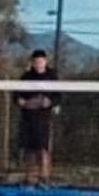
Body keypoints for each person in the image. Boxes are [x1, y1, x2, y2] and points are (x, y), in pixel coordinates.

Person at [13, 48, 59, 187]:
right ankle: (29, 179)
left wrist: (49, 102)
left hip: (44, 118)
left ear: (45, 62)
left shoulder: (52, 76)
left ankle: (44, 178)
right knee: (29, 150)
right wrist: (21, 101)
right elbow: (16, 95)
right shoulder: (26, 77)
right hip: (28, 118)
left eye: (41, 62)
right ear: (32, 63)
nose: (38, 64)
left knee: (43, 149)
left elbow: (59, 96)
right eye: (36, 62)